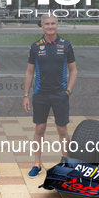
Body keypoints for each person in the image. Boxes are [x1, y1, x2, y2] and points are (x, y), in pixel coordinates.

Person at [23, 15, 77, 178]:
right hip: (40, 94)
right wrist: (26, 95)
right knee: (39, 129)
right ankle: (37, 164)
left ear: (57, 25)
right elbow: (29, 72)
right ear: (42, 26)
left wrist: (68, 91)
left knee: (62, 130)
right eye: (47, 24)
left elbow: (74, 70)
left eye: (53, 23)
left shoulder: (66, 45)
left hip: (60, 94)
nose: (50, 26)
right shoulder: (35, 46)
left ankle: (66, 163)